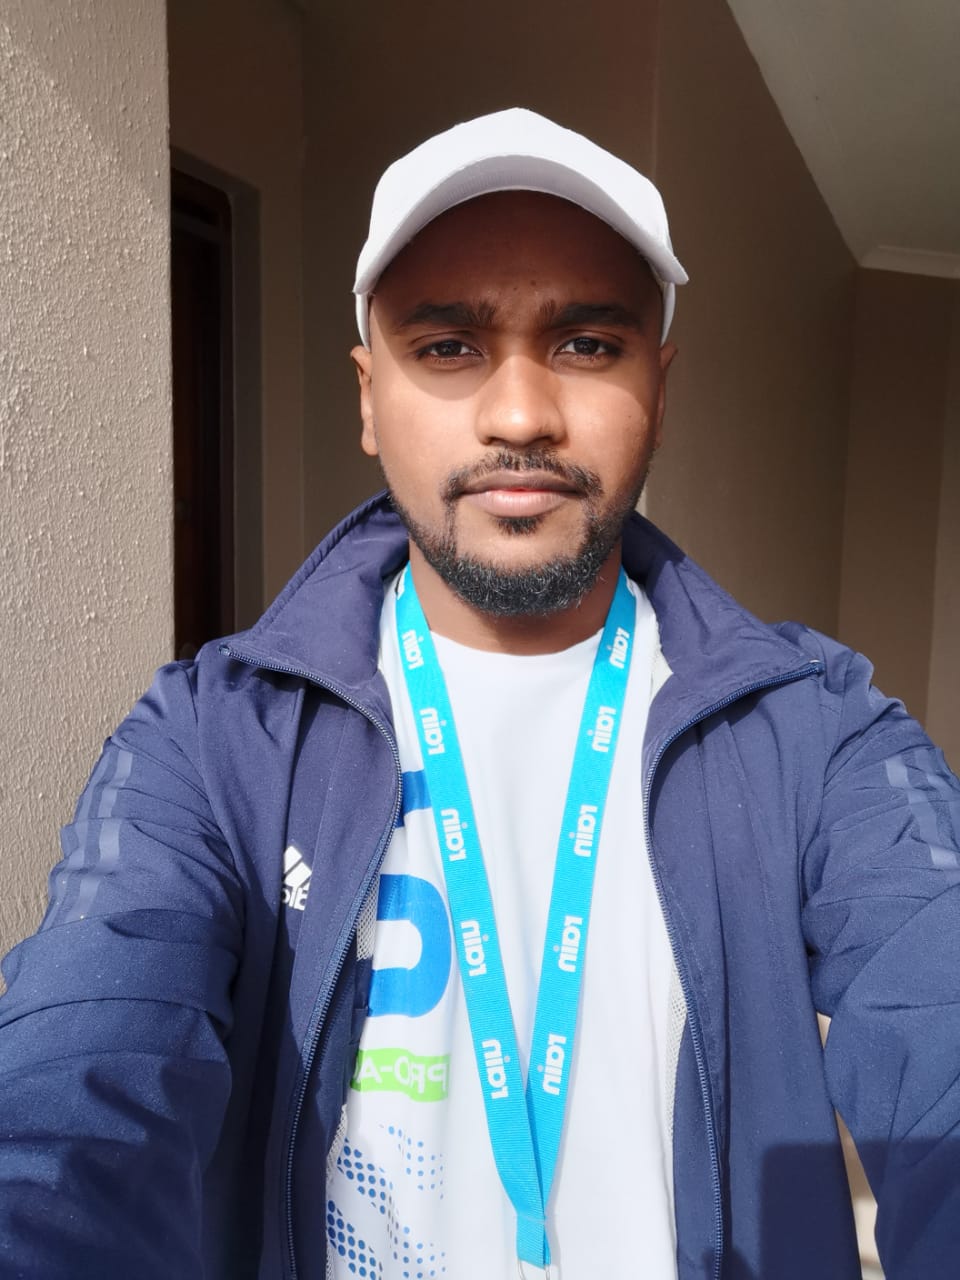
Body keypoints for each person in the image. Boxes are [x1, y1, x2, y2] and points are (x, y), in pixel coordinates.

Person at [1, 108, 958, 1280]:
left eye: (588, 344)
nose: (519, 416)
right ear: (368, 395)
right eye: (449, 346)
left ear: (660, 386)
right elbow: (74, 1085)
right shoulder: (209, 739)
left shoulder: (818, 729)